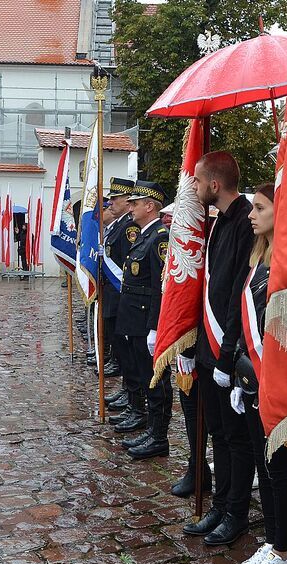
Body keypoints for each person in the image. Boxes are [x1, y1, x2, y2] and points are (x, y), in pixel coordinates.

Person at [181, 151, 256, 547]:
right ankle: (220, 504)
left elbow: (235, 295)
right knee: (218, 434)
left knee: (236, 437)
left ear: (214, 185)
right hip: (209, 348)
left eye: (197, 181)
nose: (194, 187)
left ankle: (236, 514)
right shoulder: (216, 224)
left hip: (228, 348)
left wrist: (227, 353)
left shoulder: (245, 222)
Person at [226, 183, 287, 564]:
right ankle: (272, 541)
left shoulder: (285, 263)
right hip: (252, 378)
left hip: (276, 379)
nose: (251, 215)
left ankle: (283, 550)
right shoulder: (259, 259)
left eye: (259, 207)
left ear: (279, 212)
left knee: (278, 468)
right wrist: (240, 371)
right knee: (262, 464)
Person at [114, 181, 173, 460]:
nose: (130, 206)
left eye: (135, 203)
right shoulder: (143, 236)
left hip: (146, 321)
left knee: (156, 380)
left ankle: (158, 436)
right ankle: (149, 428)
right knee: (142, 375)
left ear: (150, 206)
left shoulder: (160, 237)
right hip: (135, 319)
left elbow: (159, 288)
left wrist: (154, 327)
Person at [99, 178, 139, 416]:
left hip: (121, 296)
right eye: (111, 198)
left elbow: (126, 266)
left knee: (128, 353)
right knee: (121, 350)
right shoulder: (118, 225)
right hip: (112, 295)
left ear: (128, 201)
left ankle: (134, 397)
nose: (111, 202)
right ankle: (127, 390)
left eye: (116, 198)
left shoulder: (129, 228)